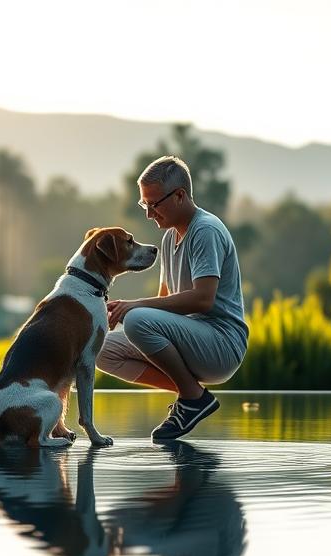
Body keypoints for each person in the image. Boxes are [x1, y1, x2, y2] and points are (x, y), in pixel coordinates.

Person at [98, 156, 248, 440]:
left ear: (179, 195)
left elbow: (203, 300)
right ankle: (192, 395)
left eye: (154, 204)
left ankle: (192, 399)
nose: (149, 213)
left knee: (137, 319)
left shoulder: (205, 230)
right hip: (192, 340)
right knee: (102, 348)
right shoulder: (169, 238)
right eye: (144, 204)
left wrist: (135, 307)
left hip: (221, 344)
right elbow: (165, 303)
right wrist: (125, 309)